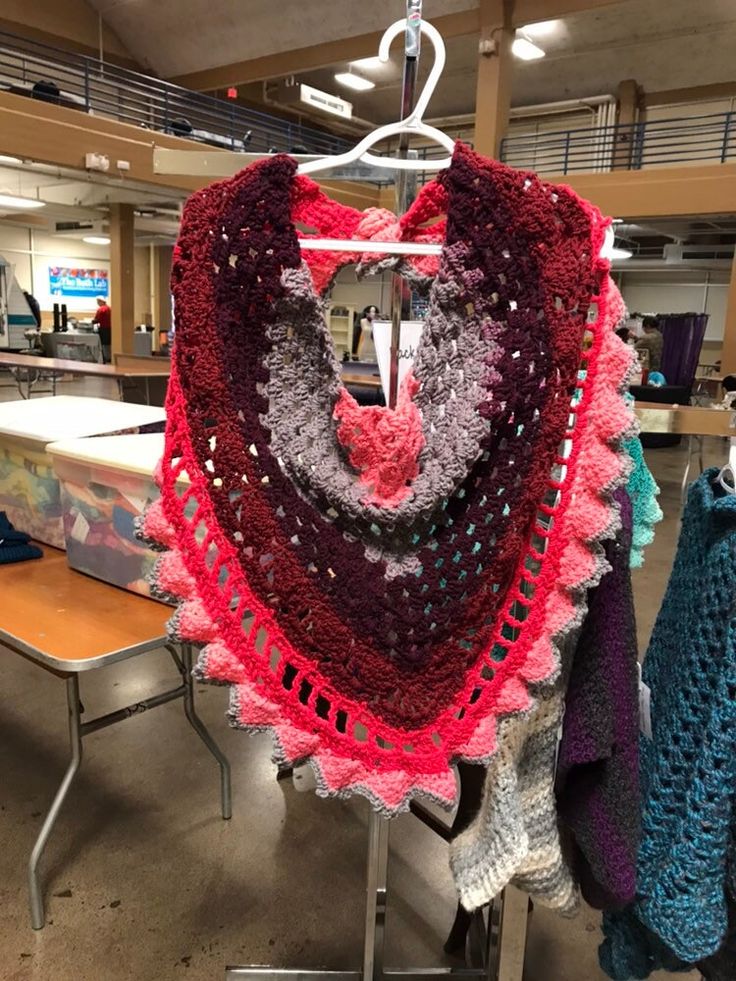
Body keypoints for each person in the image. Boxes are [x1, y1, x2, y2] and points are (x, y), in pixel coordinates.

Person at [92, 295, 112, 362]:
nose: (97, 303)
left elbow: (96, 320)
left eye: (98, 301)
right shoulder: (109, 308)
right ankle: (109, 357)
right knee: (108, 344)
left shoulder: (101, 309)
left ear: (101, 301)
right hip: (110, 329)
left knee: (103, 344)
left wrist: (93, 325)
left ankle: (105, 358)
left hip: (103, 329)